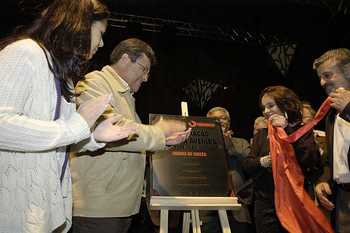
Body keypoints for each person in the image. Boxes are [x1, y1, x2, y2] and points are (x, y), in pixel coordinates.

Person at [0, 1, 139, 233]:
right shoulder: (24, 52)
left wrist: (94, 137)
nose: (102, 43)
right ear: (80, 25)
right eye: (101, 33)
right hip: (16, 210)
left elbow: (58, 137)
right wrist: (76, 126)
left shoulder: (62, 76)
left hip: (45, 211)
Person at [70, 38, 190, 233]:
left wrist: (165, 140)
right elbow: (113, 130)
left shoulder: (125, 97)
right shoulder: (94, 83)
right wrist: (160, 132)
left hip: (115, 206)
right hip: (97, 209)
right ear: (125, 59)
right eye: (144, 69)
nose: (146, 78)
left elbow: (132, 138)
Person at [242, 86, 322, 233]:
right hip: (266, 205)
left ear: (285, 105)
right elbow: (247, 165)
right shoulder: (261, 135)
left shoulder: (302, 131)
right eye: (263, 108)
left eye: (270, 106)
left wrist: (288, 130)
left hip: (296, 203)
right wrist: (263, 161)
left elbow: (311, 160)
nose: (266, 111)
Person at [313, 48, 350, 233]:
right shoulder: (331, 112)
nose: (322, 82)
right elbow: (331, 155)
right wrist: (323, 179)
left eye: (327, 75)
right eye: (320, 77)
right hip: (342, 197)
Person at [200, 107, 252, 233]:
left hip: (237, 206)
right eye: (215, 119)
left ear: (229, 122)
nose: (220, 121)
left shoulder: (241, 143)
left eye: (223, 118)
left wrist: (228, 144)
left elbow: (250, 164)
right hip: (208, 207)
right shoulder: (201, 144)